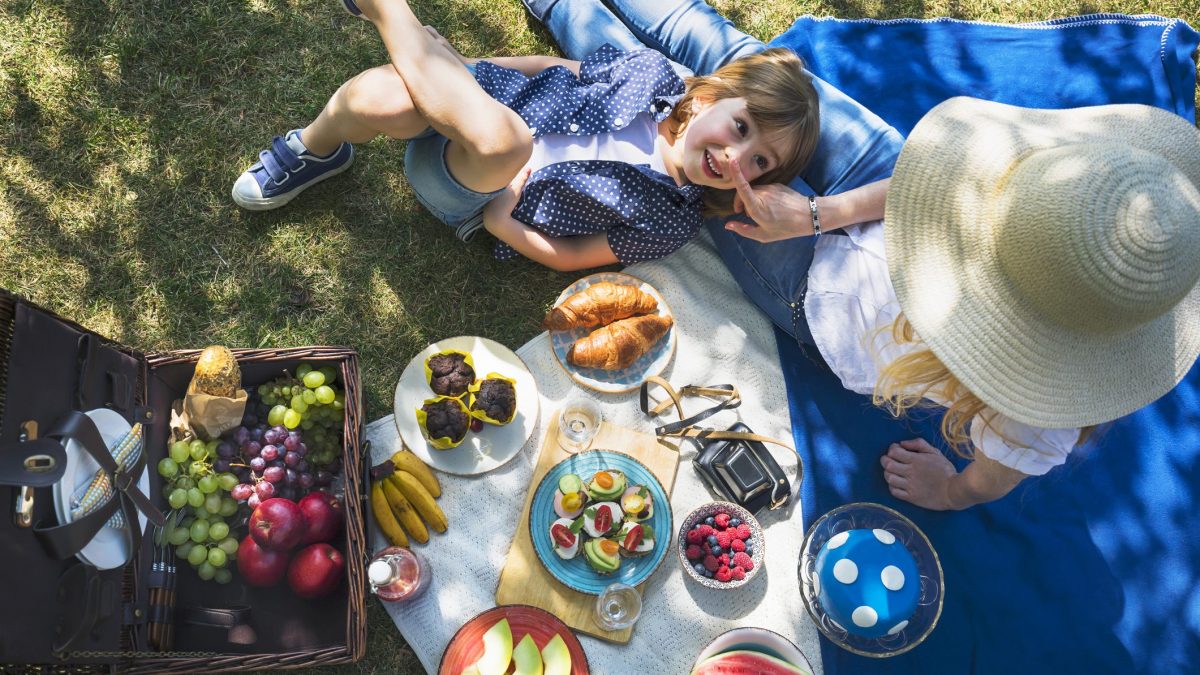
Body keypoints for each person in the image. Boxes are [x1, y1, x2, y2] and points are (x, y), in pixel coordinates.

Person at [525, 0, 1200, 510]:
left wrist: (951, 490)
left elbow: (994, 475)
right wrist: (823, 210)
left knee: (675, 127)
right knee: (744, 82)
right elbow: (939, 174)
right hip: (890, 184)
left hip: (819, 292)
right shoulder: (1067, 198)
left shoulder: (1044, 404)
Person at [230, 0, 824, 273]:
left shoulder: (673, 217)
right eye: (741, 128)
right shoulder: (652, 72)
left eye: (760, 160)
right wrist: (466, 68)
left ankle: (387, 10)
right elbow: (552, 69)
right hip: (480, 103)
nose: (734, 155)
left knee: (506, 145)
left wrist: (503, 223)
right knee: (380, 99)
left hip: (474, 186)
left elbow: (572, 259)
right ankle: (317, 147)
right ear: (713, 97)